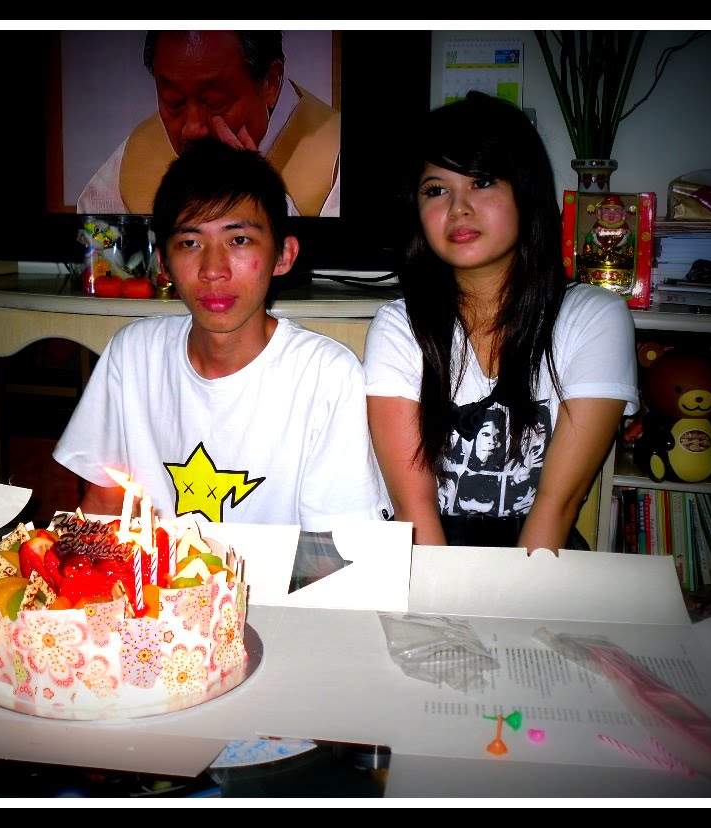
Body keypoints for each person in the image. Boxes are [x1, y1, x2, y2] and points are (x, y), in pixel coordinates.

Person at [55, 138, 388, 529]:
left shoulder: (326, 375)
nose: (213, 269)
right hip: (156, 571)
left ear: (283, 256)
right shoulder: (133, 354)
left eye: (239, 240)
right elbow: (103, 505)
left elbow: (333, 546)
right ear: (164, 264)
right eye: (190, 242)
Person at [361, 91, 639, 553]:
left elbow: (556, 508)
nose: (458, 208)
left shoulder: (593, 318)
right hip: (430, 552)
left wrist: (517, 599)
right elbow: (414, 512)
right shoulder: (400, 327)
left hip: (540, 549)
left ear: (525, 192)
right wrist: (443, 601)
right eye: (436, 190)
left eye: (483, 181)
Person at [76, 30, 340, 218]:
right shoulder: (132, 162)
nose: (193, 128)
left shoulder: (334, 154)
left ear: (270, 81)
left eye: (214, 102)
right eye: (174, 102)